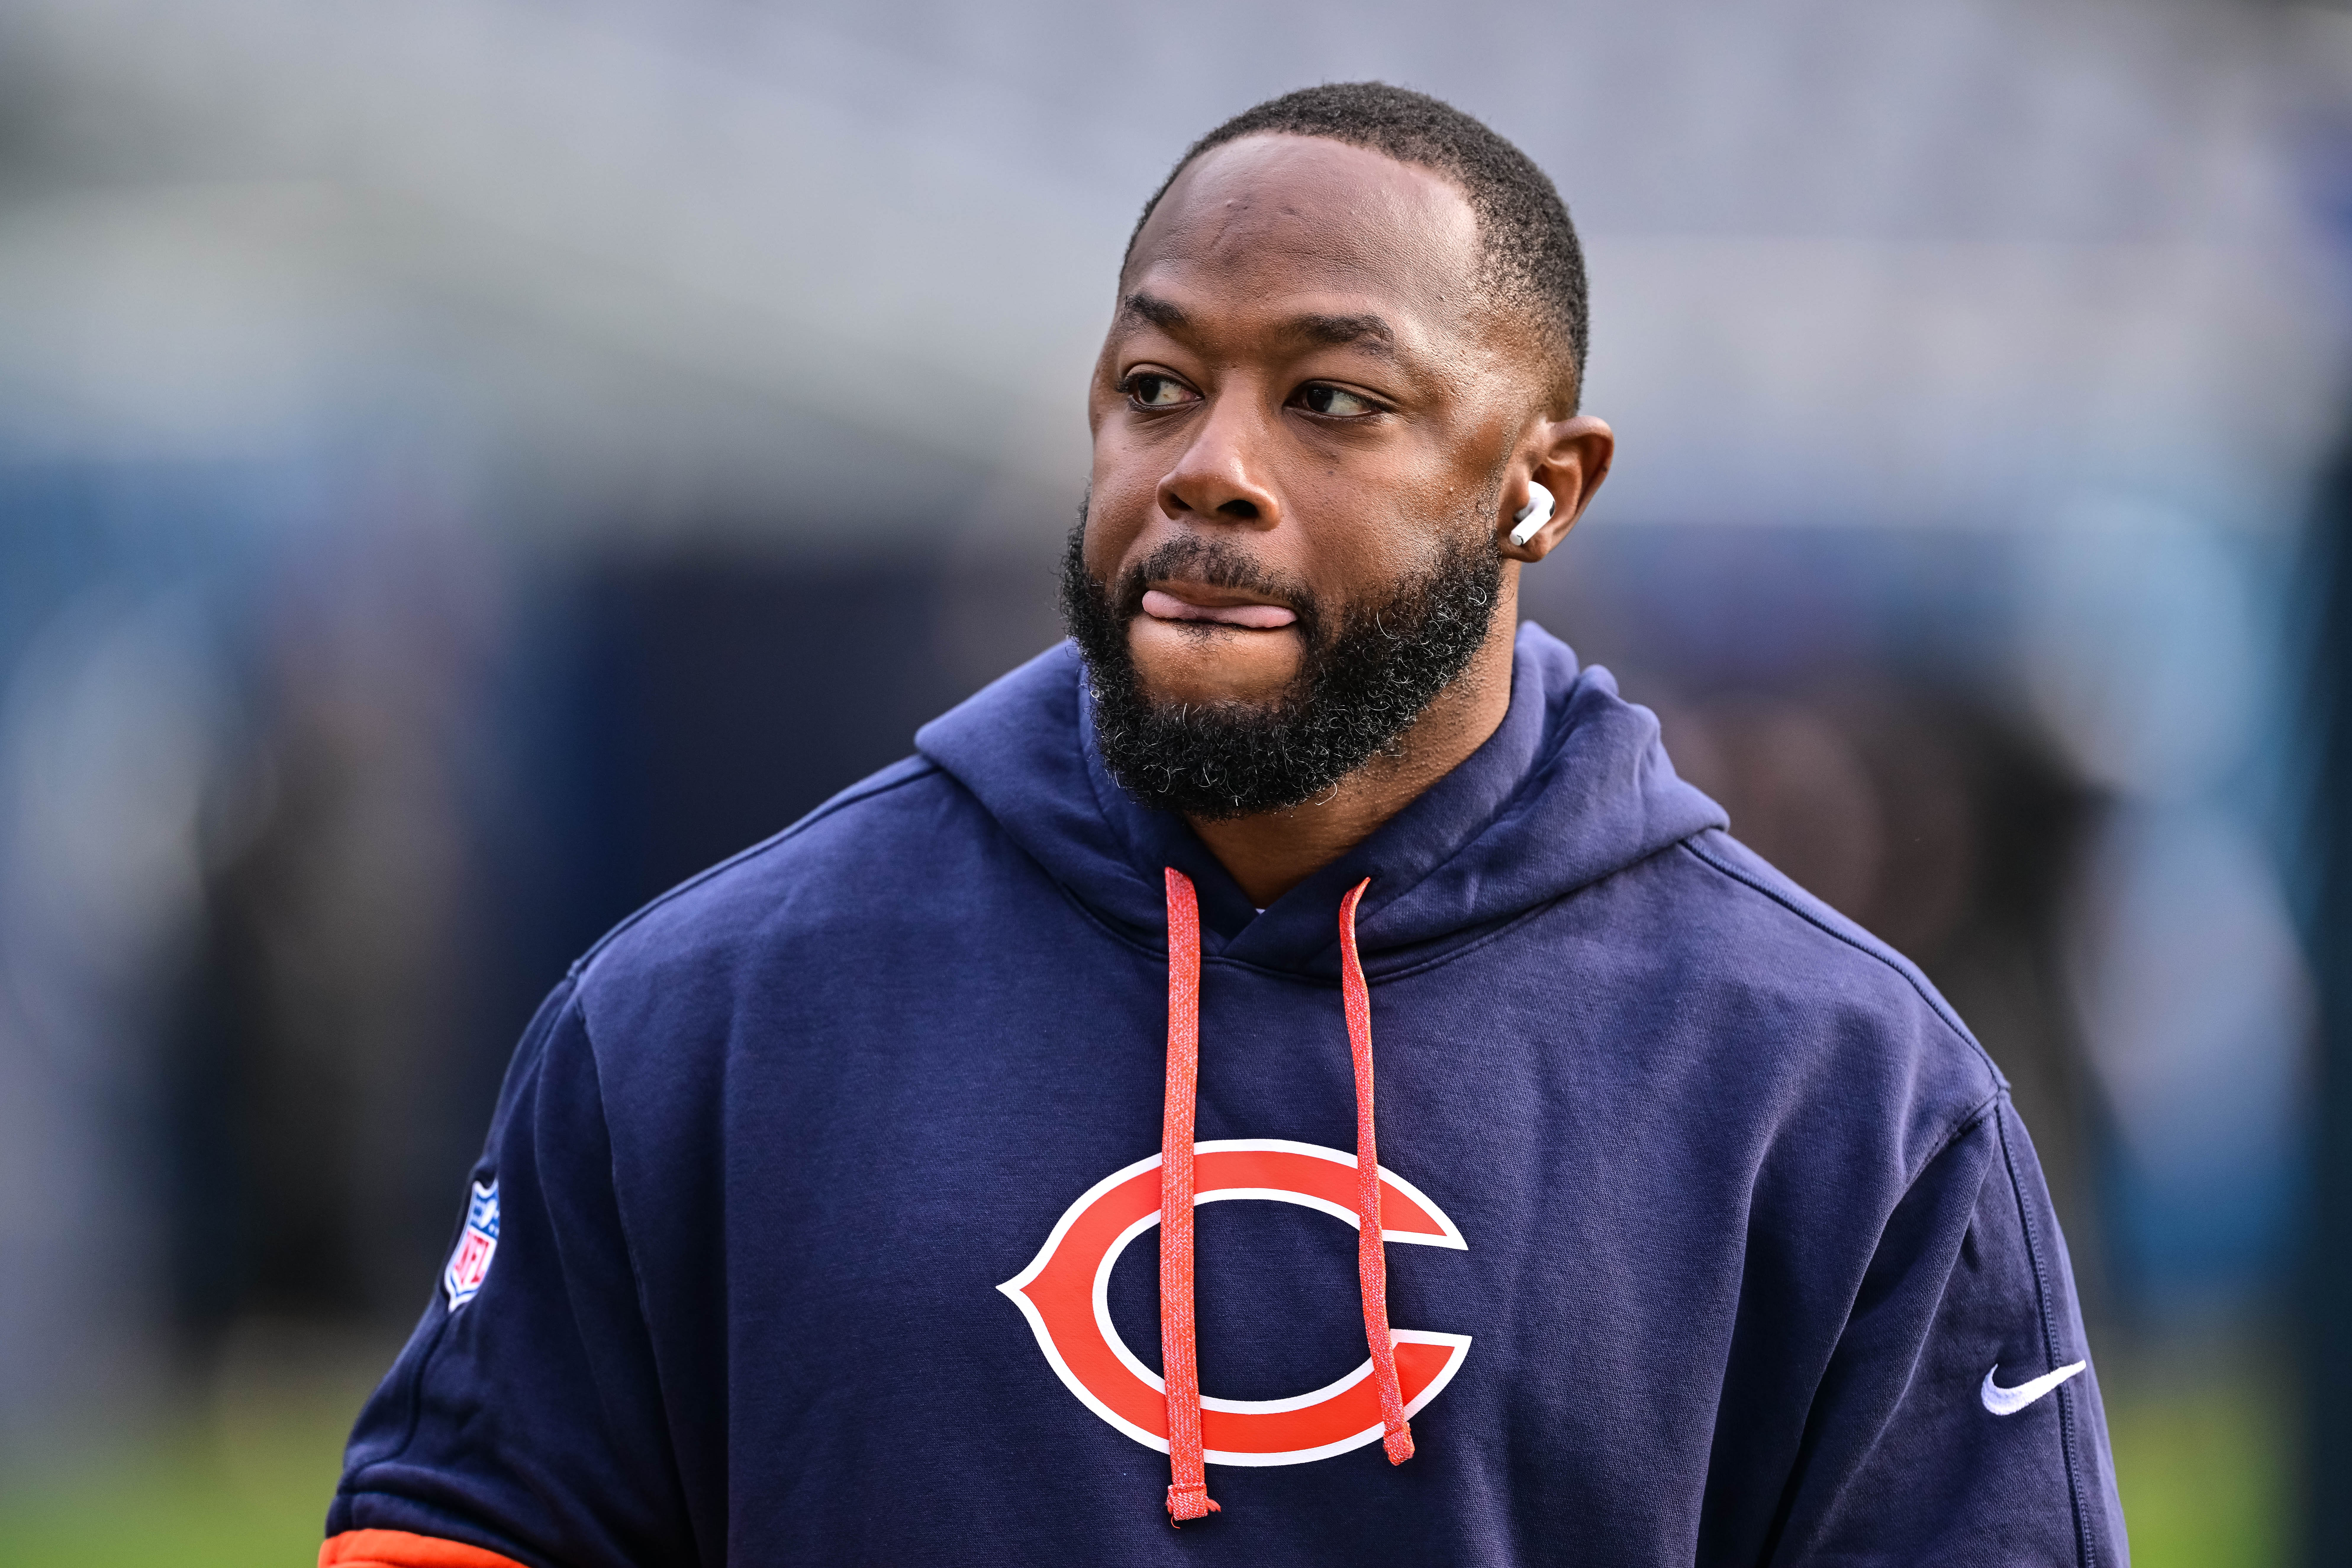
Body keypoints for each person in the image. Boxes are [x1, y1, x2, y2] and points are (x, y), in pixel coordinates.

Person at [322, 83, 2125, 1567]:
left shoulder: (1843, 1088)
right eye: (1157, 387)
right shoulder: (698, 1016)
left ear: (1541, 491)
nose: (1210, 467)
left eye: (1332, 401)